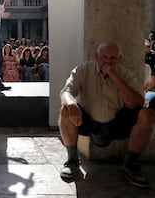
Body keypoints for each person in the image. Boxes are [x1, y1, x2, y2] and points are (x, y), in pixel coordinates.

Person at [59, 42, 155, 188]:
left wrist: (115, 77)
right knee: (65, 110)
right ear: (97, 56)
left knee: (147, 115)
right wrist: (71, 104)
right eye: (104, 57)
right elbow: (66, 91)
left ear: (119, 58)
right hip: (89, 121)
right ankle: (72, 161)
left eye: (112, 58)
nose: (108, 61)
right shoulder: (83, 70)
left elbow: (137, 103)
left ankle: (129, 165)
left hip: (117, 122)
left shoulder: (126, 74)